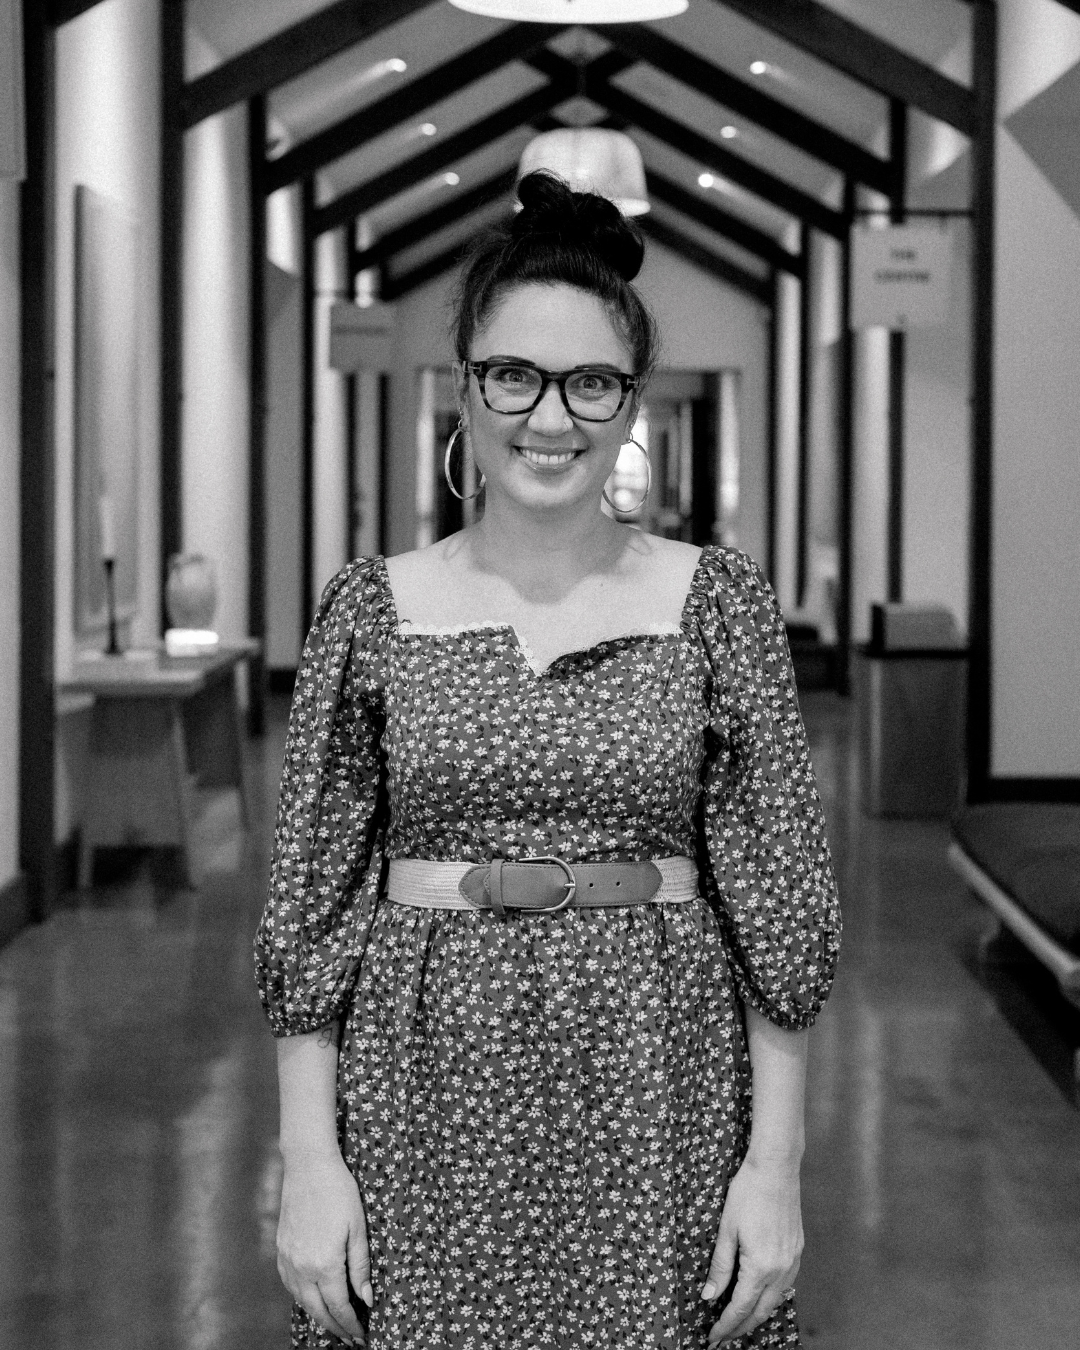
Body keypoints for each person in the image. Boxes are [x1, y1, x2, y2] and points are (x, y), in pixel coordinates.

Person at [255, 170, 841, 1350]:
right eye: (514, 375)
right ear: (466, 388)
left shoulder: (717, 605)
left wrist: (773, 1175)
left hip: (657, 1085)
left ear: (632, 405)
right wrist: (308, 1164)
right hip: (422, 1091)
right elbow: (311, 911)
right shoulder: (370, 610)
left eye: (592, 383)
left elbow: (778, 916)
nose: (551, 417)